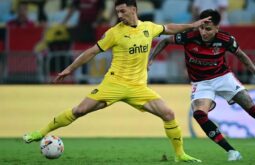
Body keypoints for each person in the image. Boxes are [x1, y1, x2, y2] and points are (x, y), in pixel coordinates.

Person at [23, 0, 211, 162]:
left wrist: (194, 25)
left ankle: (180, 155)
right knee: (79, 110)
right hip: (114, 84)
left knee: (169, 114)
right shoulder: (114, 33)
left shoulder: (148, 27)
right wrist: (70, 68)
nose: (119, 15)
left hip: (138, 88)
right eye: (117, 12)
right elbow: (91, 52)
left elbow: (169, 28)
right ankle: (41, 132)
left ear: (133, 9)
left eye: (122, 11)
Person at [149, 9, 255, 161]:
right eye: (201, 27)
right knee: (199, 114)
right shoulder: (189, 36)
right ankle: (231, 151)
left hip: (223, 78)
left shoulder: (225, 39)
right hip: (201, 83)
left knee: (252, 108)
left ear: (217, 28)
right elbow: (165, 40)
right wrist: (151, 59)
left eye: (208, 29)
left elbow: (241, 56)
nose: (203, 32)